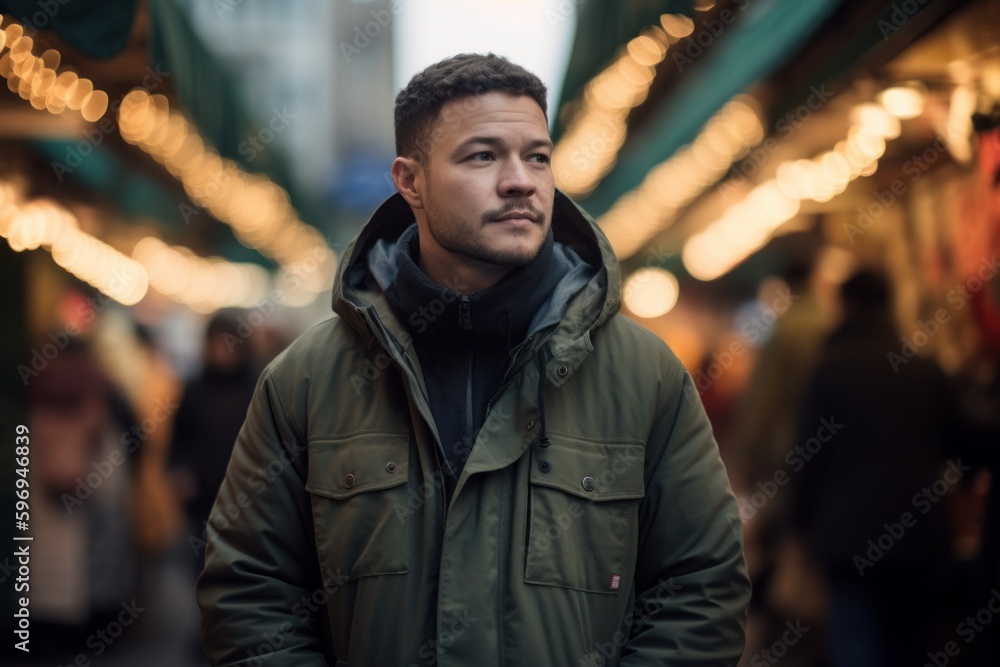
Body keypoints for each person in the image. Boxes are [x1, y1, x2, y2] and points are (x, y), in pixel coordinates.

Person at [197, 53, 750, 666]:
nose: (521, 180)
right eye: (483, 156)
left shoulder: (645, 376)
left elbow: (701, 589)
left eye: (538, 156)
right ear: (411, 181)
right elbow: (249, 591)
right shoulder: (305, 381)